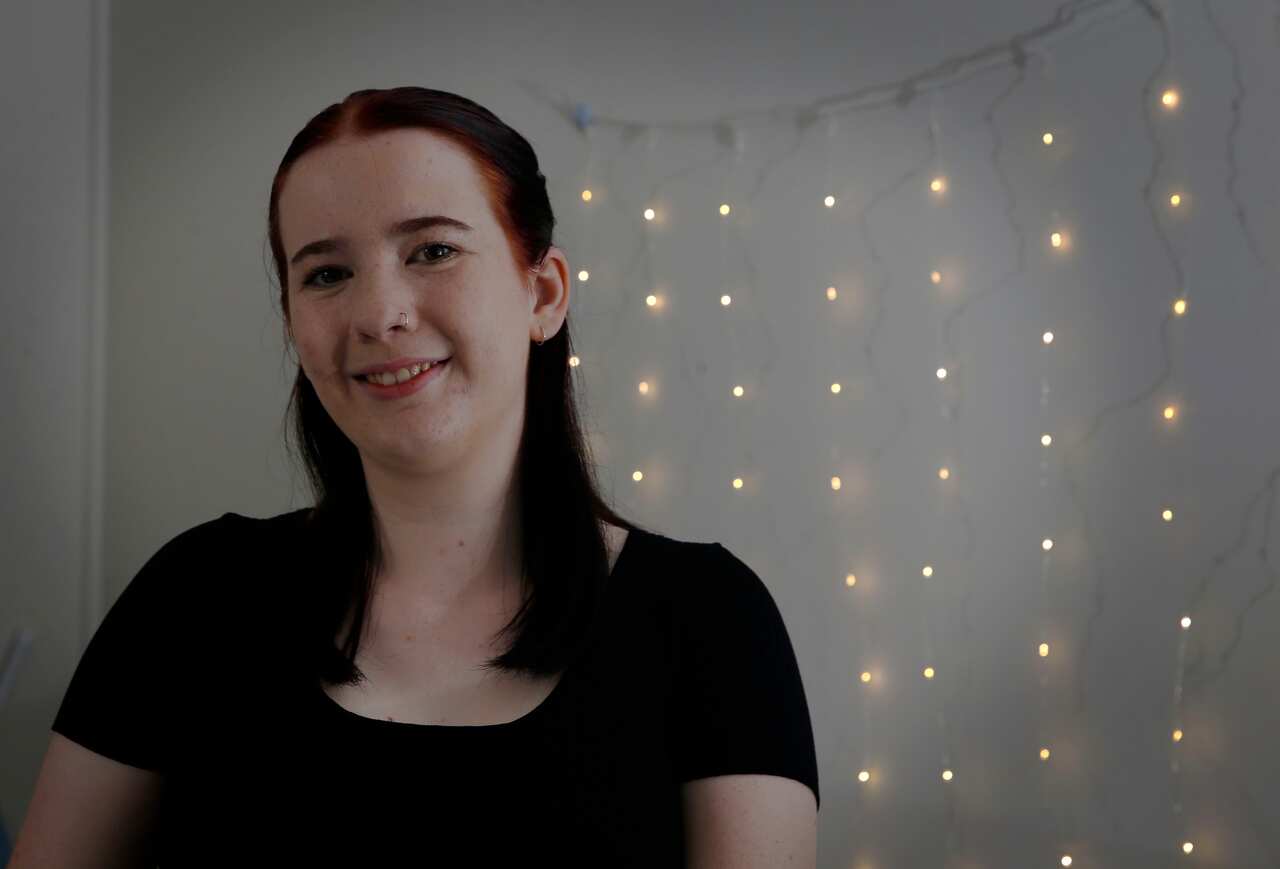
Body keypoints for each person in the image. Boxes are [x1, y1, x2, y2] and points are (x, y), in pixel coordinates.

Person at [10, 87, 818, 868]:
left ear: (543, 293)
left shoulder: (711, 622)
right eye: (327, 273)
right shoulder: (191, 597)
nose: (378, 314)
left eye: (433, 251)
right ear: (293, 321)